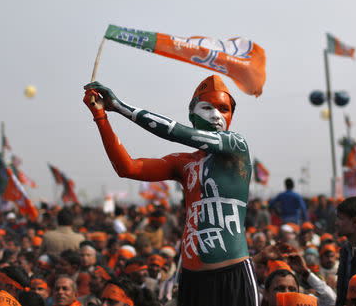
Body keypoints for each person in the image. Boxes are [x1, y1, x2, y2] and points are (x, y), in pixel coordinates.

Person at [83, 75, 257, 306]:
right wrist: (100, 116)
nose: (216, 115)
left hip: (232, 274)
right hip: (191, 278)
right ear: (192, 116)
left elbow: (176, 132)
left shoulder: (236, 146)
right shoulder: (183, 163)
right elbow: (127, 168)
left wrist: (119, 106)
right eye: (207, 107)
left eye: (223, 109)